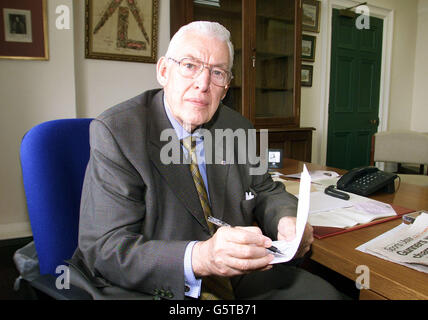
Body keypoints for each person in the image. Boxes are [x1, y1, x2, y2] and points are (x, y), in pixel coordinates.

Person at [69, 21, 343, 300]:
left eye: (217, 72)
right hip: (156, 283)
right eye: (189, 65)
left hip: (236, 274)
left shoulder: (240, 128)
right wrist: (201, 257)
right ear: (164, 71)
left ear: (225, 88)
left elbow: (265, 190)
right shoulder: (118, 132)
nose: (203, 84)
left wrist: (286, 219)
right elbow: (105, 248)